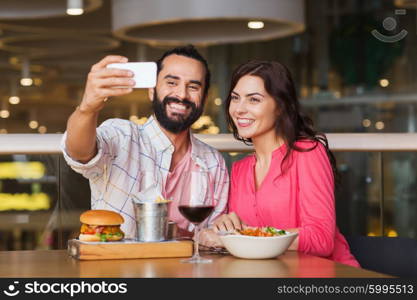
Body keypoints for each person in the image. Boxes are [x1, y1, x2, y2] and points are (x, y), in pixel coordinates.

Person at [61, 45, 229, 239]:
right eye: (172, 83)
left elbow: (213, 234)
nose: (182, 95)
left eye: (193, 87)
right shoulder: (121, 135)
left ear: (204, 99)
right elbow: (79, 153)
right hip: (116, 266)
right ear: (152, 90)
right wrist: (88, 107)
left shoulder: (213, 162)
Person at [203, 60, 359, 267]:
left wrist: (244, 236)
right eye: (235, 98)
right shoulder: (240, 170)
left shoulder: (308, 152)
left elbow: (321, 239)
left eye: (254, 100)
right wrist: (222, 229)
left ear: (280, 107)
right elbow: (239, 237)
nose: (239, 109)